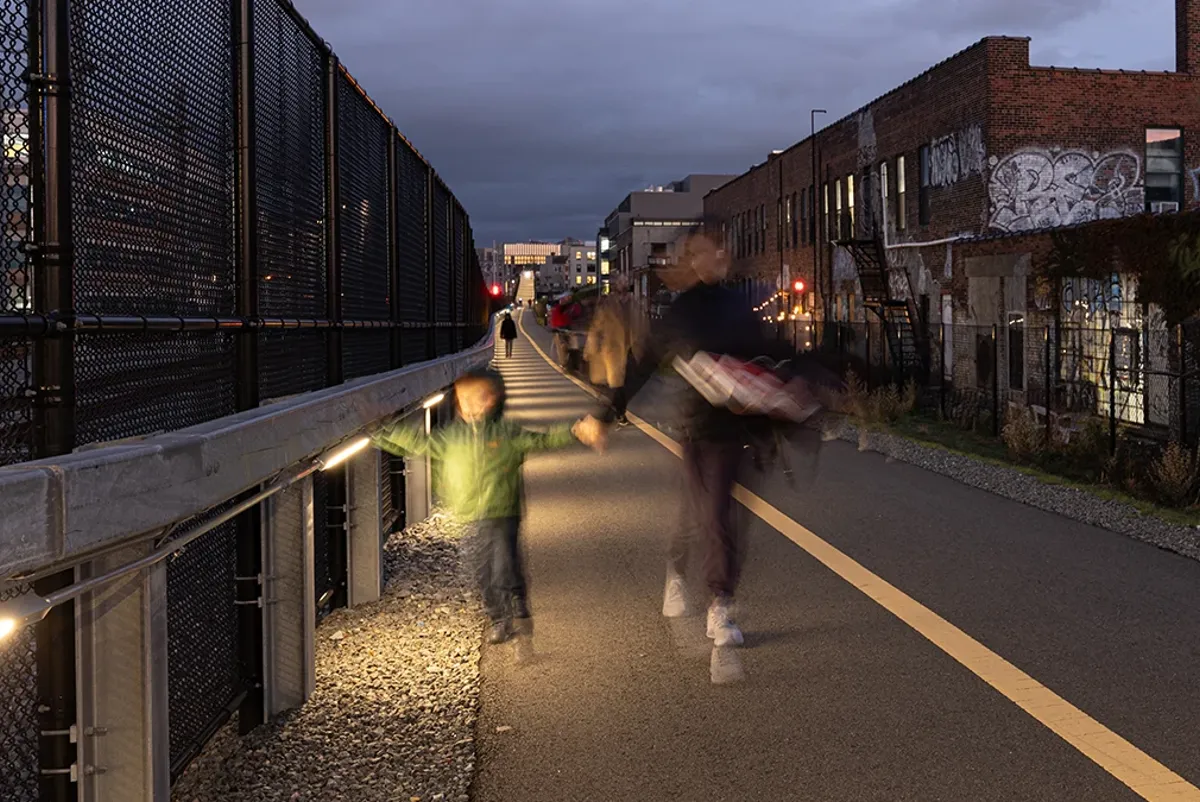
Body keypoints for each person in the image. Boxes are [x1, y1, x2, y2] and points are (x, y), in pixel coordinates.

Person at [586, 234, 790, 648]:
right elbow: (642, 364)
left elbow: (766, 365)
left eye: (717, 250)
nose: (711, 259)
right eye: (699, 253)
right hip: (697, 427)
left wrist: (773, 425)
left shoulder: (740, 308)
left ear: (724, 255)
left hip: (737, 429)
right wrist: (604, 415)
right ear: (694, 261)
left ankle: (720, 602)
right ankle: (680, 574)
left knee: (721, 515)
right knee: (702, 513)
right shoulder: (683, 312)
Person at [371, 368, 605, 644]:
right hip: (470, 513)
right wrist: (380, 434)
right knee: (482, 569)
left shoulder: (506, 433)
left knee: (505, 562)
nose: (469, 405)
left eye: (477, 398)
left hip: (503, 511)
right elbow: (418, 442)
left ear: (493, 400)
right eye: (463, 399)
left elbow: (542, 439)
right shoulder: (451, 437)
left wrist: (575, 429)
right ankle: (498, 617)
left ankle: (515, 600)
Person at [583, 276, 644, 425]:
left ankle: (615, 413)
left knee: (627, 383)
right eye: (620, 282)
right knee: (617, 386)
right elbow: (596, 327)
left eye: (625, 281)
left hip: (632, 348)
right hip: (613, 349)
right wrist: (590, 349)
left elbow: (643, 323)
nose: (622, 284)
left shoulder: (634, 303)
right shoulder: (607, 304)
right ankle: (618, 414)